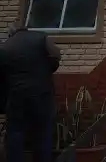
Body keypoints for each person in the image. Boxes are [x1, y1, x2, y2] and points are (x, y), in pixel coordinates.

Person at [0, 23, 62, 162]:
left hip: (17, 96)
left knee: (15, 133)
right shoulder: (41, 37)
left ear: (11, 33)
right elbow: (56, 55)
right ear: (25, 29)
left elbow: (2, 77)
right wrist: (48, 70)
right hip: (42, 94)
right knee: (43, 133)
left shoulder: (4, 47)